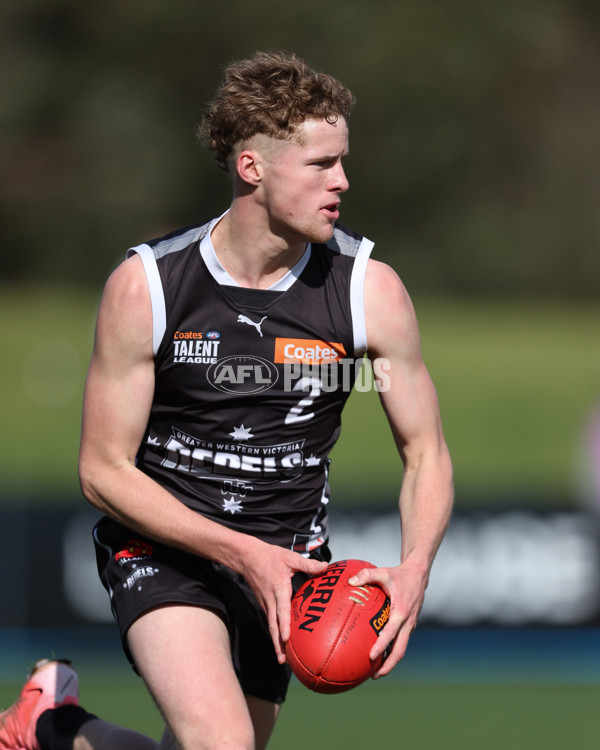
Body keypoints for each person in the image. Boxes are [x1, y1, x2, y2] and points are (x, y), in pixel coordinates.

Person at [0, 49, 453, 750]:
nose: (344, 180)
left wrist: (417, 565)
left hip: (290, 565)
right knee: (222, 744)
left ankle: (55, 726)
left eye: (342, 160)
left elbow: (424, 451)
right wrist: (240, 553)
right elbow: (101, 471)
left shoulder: (370, 291)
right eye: (320, 165)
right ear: (253, 170)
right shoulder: (148, 287)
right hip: (164, 546)